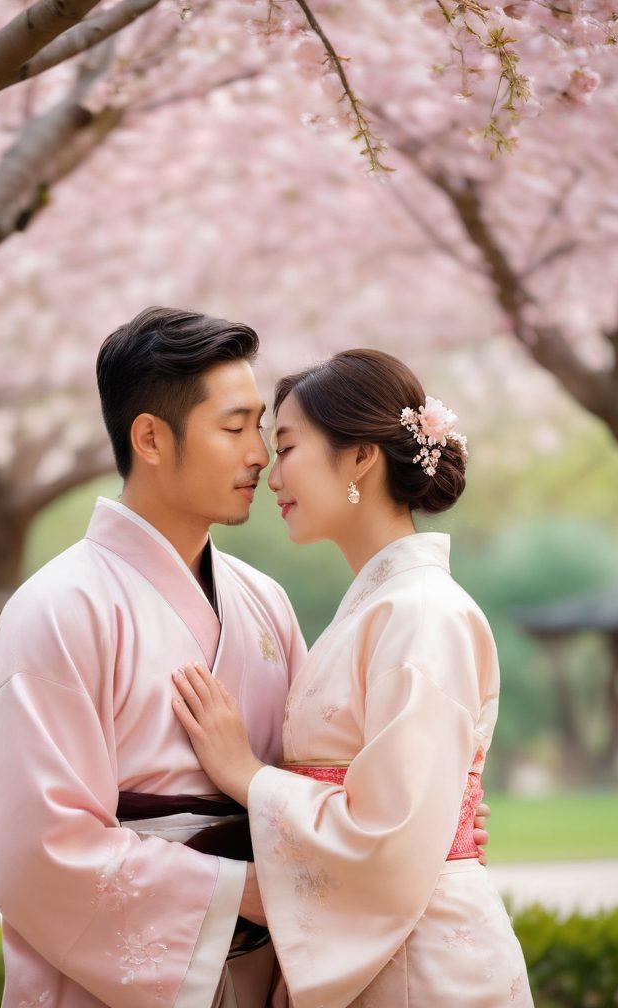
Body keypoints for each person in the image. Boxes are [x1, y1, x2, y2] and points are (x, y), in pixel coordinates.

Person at [0, 311, 490, 1008]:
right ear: (152, 438)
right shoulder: (57, 611)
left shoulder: (265, 602)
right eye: (235, 427)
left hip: (264, 967)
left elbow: (339, 779)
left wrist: (431, 827)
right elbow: (39, 855)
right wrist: (253, 889)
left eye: (264, 432)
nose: (260, 455)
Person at [172, 349, 531, 1007]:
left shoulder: (421, 611)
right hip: (399, 938)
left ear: (360, 457)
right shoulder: (384, 607)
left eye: (286, 447)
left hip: (424, 964)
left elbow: (388, 837)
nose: (268, 473)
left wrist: (245, 775)